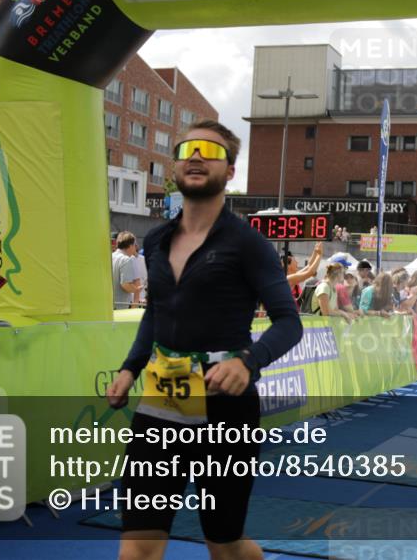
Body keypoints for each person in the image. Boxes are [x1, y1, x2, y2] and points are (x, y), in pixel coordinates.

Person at [105, 120, 302, 560]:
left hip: (225, 407)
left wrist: (248, 361)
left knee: (225, 544)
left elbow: (290, 322)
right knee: (137, 544)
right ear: (174, 164)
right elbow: (155, 312)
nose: (196, 156)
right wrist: (129, 368)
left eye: (210, 152)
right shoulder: (155, 240)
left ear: (229, 172)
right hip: (161, 402)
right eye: (189, 149)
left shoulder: (249, 244)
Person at [283, 242, 323, 308]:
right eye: (295, 261)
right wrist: (319, 255)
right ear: (288, 266)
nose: (297, 262)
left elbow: (309, 266)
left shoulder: (292, 277)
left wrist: (315, 251)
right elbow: (311, 272)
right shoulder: (288, 279)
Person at [112, 231, 142, 309]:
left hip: (111, 304)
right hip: (121, 306)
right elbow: (125, 284)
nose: (135, 247)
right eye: (134, 245)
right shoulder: (126, 260)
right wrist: (137, 290)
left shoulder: (110, 256)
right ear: (131, 245)